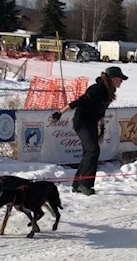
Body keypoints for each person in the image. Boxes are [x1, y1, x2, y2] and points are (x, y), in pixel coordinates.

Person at [52, 65, 128, 195]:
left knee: (89, 152)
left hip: (92, 123)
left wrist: (102, 127)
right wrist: (60, 113)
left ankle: (77, 184)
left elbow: (101, 110)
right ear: (113, 78)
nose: (121, 81)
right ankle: (85, 184)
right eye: (120, 79)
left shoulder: (109, 91)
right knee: (92, 150)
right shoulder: (97, 89)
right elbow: (78, 102)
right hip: (82, 122)